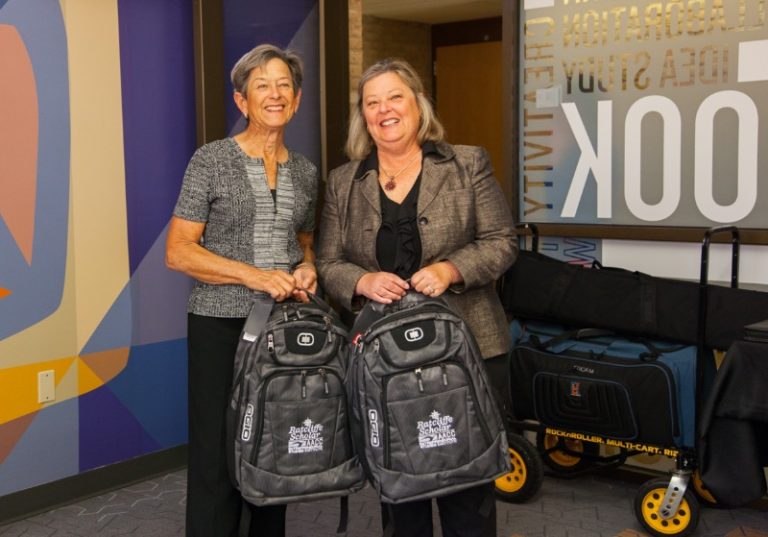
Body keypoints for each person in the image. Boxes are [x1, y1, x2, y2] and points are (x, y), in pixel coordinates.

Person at [316, 57, 517, 537]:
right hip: (385, 358)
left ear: (417, 104)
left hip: (467, 346)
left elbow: (502, 241)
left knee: (468, 485)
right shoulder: (345, 181)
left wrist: (452, 269)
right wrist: (361, 282)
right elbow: (327, 262)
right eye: (372, 102)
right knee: (399, 483)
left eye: (395, 97)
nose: (384, 109)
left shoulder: (467, 163)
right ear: (363, 116)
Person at [165, 44, 318, 537]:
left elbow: (304, 244)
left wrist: (308, 268)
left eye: (283, 86)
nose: (274, 94)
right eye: (261, 85)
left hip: (281, 329)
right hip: (219, 325)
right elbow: (179, 252)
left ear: (295, 101)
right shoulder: (210, 160)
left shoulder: (307, 172)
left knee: (274, 446)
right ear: (242, 101)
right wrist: (252, 275)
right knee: (217, 451)